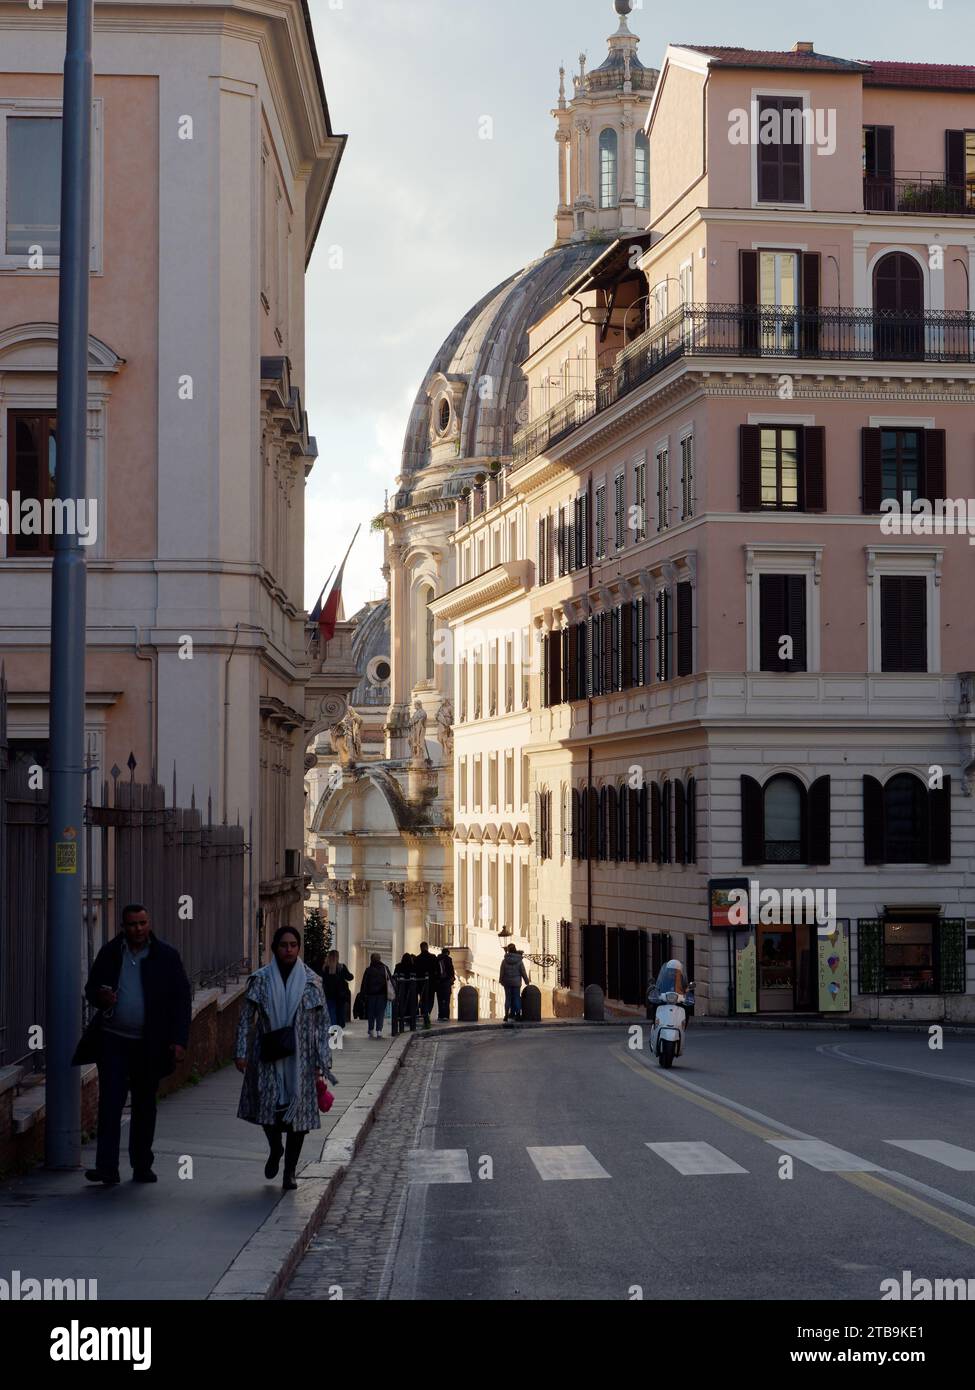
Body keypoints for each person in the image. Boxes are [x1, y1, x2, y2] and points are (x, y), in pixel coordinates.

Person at [74, 903, 191, 1186]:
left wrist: (178, 1040)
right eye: (131, 925)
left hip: (149, 1044)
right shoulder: (111, 953)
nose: (137, 929)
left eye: (142, 923)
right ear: (123, 927)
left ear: (149, 924)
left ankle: (142, 1165)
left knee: (144, 1105)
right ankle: (106, 1168)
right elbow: (91, 989)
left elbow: (181, 999)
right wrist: (100, 997)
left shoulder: (166, 956)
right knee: (110, 1105)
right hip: (114, 1040)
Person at [235, 926, 336, 1191]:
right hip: (267, 1055)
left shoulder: (313, 981)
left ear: (298, 948)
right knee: (267, 1111)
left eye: (293, 945)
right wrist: (241, 1052)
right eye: (283, 945)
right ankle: (275, 1148)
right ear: (274, 948)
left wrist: (323, 1061)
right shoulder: (260, 980)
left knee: (299, 1120)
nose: (289, 949)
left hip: (301, 1058)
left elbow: (322, 1022)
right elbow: (246, 1018)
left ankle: (290, 1171)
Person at [361, 953, 391, 1038]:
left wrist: (363, 994)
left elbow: (364, 983)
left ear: (371, 959)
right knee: (380, 1013)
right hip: (382, 994)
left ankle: (371, 1029)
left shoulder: (368, 970)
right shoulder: (385, 969)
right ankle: (379, 1030)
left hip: (371, 995)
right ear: (380, 959)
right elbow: (390, 981)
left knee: (371, 1013)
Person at [321, 949, 353, 1028]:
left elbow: (322, 980)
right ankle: (339, 1027)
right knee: (340, 1012)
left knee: (331, 1012)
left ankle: (333, 1030)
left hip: (329, 994)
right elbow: (350, 977)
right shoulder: (341, 967)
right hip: (340, 994)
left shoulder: (325, 967)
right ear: (337, 957)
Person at [499, 943, 529, 1022]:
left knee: (508, 998)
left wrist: (501, 980)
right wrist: (526, 981)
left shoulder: (504, 961)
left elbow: (502, 972)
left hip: (507, 982)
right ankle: (518, 1014)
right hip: (516, 982)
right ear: (515, 949)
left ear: (508, 950)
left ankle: (506, 1015)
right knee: (516, 997)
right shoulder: (519, 961)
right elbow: (523, 972)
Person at [414, 941, 440, 1027]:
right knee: (430, 999)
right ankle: (427, 1013)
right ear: (427, 947)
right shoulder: (433, 957)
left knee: (423, 998)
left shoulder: (417, 959)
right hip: (431, 983)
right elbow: (438, 970)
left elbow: (416, 972)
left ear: (420, 948)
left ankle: (425, 1013)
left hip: (421, 983)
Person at [436, 947, 455, 1021]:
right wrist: (452, 979)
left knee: (440, 1000)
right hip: (446, 982)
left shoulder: (437, 959)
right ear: (447, 953)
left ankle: (440, 1015)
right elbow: (451, 970)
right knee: (446, 1000)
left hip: (439, 983)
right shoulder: (448, 959)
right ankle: (446, 1016)